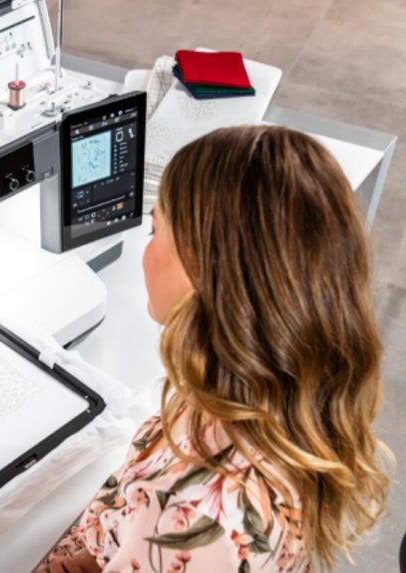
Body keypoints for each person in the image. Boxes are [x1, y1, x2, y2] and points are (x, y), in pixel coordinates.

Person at [34, 125, 393, 573]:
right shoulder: (276, 389)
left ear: (200, 268)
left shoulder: (192, 520)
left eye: (154, 230)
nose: (146, 251)